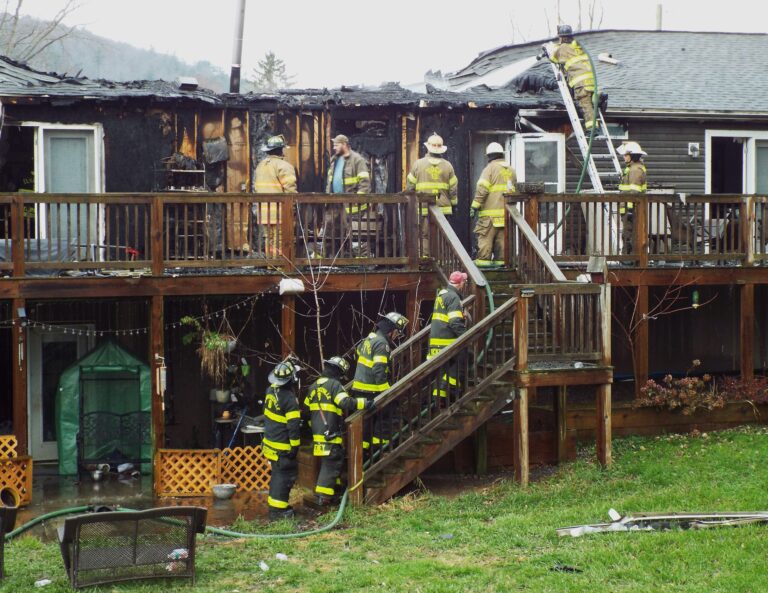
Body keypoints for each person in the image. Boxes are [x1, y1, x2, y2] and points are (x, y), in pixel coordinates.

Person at [304, 356, 372, 505]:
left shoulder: (313, 387)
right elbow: (345, 402)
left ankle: (329, 492)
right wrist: (364, 403)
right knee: (332, 463)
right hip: (331, 434)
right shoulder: (334, 385)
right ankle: (324, 497)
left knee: (328, 462)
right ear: (338, 372)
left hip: (318, 434)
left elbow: (306, 410)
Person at [351, 311, 409, 449]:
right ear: (391, 330)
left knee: (366, 423)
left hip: (360, 388)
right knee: (387, 416)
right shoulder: (382, 344)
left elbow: (358, 352)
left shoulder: (370, 339)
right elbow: (379, 370)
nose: (396, 336)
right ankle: (380, 448)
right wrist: (386, 393)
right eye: (396, 332)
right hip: (372, 390)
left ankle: (364, 452)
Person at [405, 134, 458, 256]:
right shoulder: (448, 166)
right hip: (443, 208)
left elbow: (410, 187)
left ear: (428, 147)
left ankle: (425, 258)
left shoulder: (418, 164)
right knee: (442, 234)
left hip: (423, 207)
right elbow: (453, 189)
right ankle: (441, 258)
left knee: (424, 234)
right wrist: (454, 204)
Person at [262, 359, 302, 520]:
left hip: (270, 444)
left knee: (277, 475)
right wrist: (295, 447)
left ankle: (277, 506)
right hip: (283, 447)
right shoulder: (289, 399)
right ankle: (277, 512)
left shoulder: (270, 391)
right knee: (285, 476)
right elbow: (293, 427)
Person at [324, 134, 371, 256]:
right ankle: (332, 258)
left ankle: (355, 258)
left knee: (351, 233)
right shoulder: (334, 160)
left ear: (344, 145)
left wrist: (358, 199)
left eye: (336, 145)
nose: (334, 147)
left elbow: (365, 182)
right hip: (334, 203)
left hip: (351, 204)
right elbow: (330, 181)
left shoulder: (357, 160)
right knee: (331, 231)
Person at [471, 142, 517, 267]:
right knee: (502, 243)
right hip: (506, 214)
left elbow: (482, 189)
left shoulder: (489, 169)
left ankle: (483, 267)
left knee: (485, 240)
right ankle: (500, 267)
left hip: (489, 216)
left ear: (490, 156)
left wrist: (475, 206)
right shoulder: (512, 170)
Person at [253, 135, 297, 257]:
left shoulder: (261, 166)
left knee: (269, 238)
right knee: (280, 238)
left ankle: (271, 264)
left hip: (264, 210)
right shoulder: (284, 166)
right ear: (281, 150)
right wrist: (293, 207)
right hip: (279, 210)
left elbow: (256, 187)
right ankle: (280, 265)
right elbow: (290, 190)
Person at [428, 271, 469, 402]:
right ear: (460, 283)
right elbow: (454, 322)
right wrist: (465, 336)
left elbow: (446, 317)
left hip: (436, 341)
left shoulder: (442, 294)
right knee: (459, 364)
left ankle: (438, 400)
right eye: (464, 282)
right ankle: (449, 392)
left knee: (442, 372)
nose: (464, 284)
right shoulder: (453, 298)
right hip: (447, 342)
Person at [548, 24, 598, 130]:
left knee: (585, 104)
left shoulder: (562, 48)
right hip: (593, 80)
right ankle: (599, 109)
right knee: (592, 103)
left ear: (561, 37)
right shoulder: (578, 46)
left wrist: (548, 48)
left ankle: (592, 129)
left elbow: (553, 58)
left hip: (580, 81)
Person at [617, 141, 647, 256]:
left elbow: (634, 192)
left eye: (626, 155)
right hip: (629, 208)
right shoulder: (632, 168)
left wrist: (629, 210)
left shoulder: (635, 170)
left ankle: (629, 259)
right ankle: (628, 258)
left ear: (632, 156)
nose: (624, 157)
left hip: (631, 209)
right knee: (628, 235)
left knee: (628, 235)